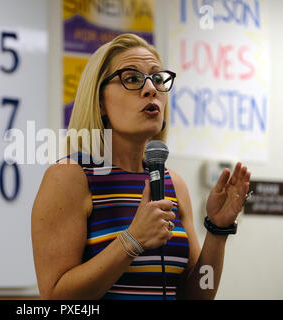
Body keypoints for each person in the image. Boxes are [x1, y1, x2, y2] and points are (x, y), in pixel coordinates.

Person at [31, 33, 251, 300]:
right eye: (132, 78)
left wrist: (217, 231)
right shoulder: (69, 177)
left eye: (158, 79)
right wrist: (132, 240)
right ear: (100, 101)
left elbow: (197, 295)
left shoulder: (174, 183)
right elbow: (56, 298)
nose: (151, 89)